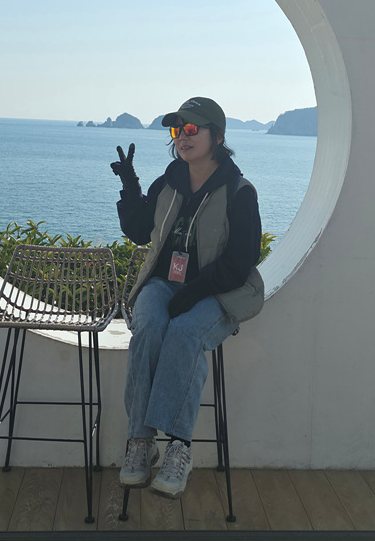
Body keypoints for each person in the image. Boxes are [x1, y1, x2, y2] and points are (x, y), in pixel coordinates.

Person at [111, 96, 264, 500]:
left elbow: (241, 261)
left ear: (218, 136)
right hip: (163, 284)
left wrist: (195, 291)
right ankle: (141, 442)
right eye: (178, 130)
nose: (182, 137)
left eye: (192, 129)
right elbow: (140, 232)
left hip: (220, 291)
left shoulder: (239, 192)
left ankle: (179, 448)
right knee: (148, 327)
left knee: (184, 333)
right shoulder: (168, 183)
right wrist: (130, 185)